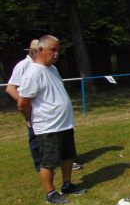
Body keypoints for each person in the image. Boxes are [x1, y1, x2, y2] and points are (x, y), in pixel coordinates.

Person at [17, 35, 86, 205]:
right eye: (52, 50)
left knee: (68, 156)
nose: (56, 54)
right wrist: (29, 118)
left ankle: (67, 184)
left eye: (58, 50)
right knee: (48, 161)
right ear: (40, 50)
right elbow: (22, 103)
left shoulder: (53, 69)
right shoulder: (33, 72)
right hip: (47, 126)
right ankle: (50, 192)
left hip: (64, 123)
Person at [6, 40, 83, 172]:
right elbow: (10, 88)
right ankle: (40, 165)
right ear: (34, 52)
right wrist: (27, 104)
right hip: (34, 110)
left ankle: (58, 161)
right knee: (37, 139)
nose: (54, 54)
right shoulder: (24, 66)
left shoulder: (49, 67)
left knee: (56, 141)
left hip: (50, 113)